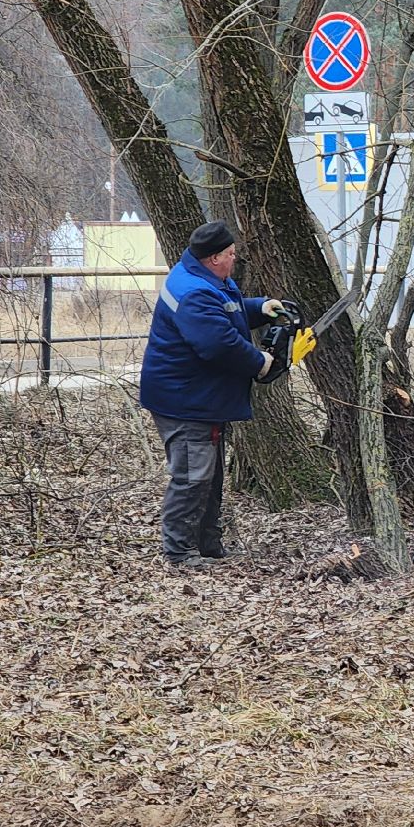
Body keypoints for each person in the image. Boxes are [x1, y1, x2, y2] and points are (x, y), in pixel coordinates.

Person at [139, 222, 292, 569]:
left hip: (198, 397)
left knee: (208, 475)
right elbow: (217, 344)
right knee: (193, 476)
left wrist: (258, 308)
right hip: (186, 401)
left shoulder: (201, 279)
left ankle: (207, 544)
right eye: (230, 255)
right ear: (213, 259)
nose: (235, 259)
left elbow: (225, 313)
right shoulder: (194, 292)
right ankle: (180, 552)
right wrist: (260, 362)